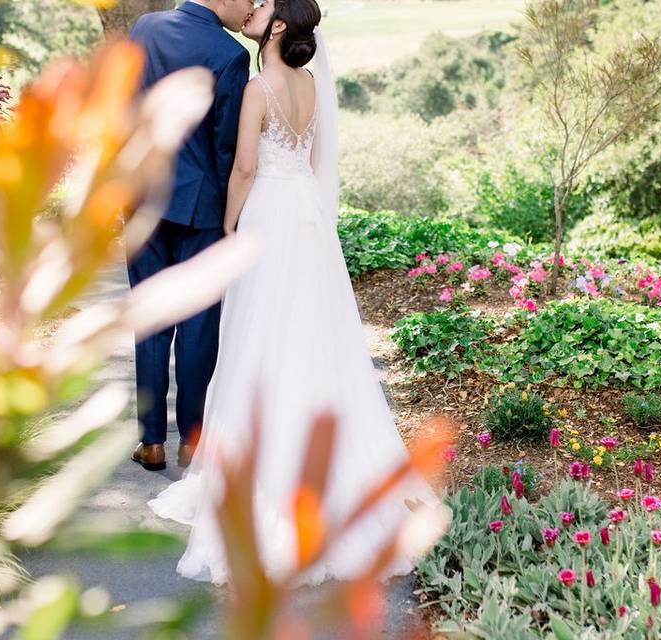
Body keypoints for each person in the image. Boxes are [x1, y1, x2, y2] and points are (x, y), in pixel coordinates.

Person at [149, 0, 440, 585]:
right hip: (306, 214)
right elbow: (309, 158)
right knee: (313, 329)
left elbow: (246, 170)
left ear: (279, 26)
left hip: (269, 215)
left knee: (257, 334)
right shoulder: (310, 82)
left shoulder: (259, 86)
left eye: (263, 6)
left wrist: (230, 225)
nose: (253, 9)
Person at [127, 0, 254, 471]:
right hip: (200, 207)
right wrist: (231, 218)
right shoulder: (230, 54)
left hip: (141, 197)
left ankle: (151, 440)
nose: (250, 7)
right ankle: (192, 440)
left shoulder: (145, 28)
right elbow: (225, 146)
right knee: (200, 324)